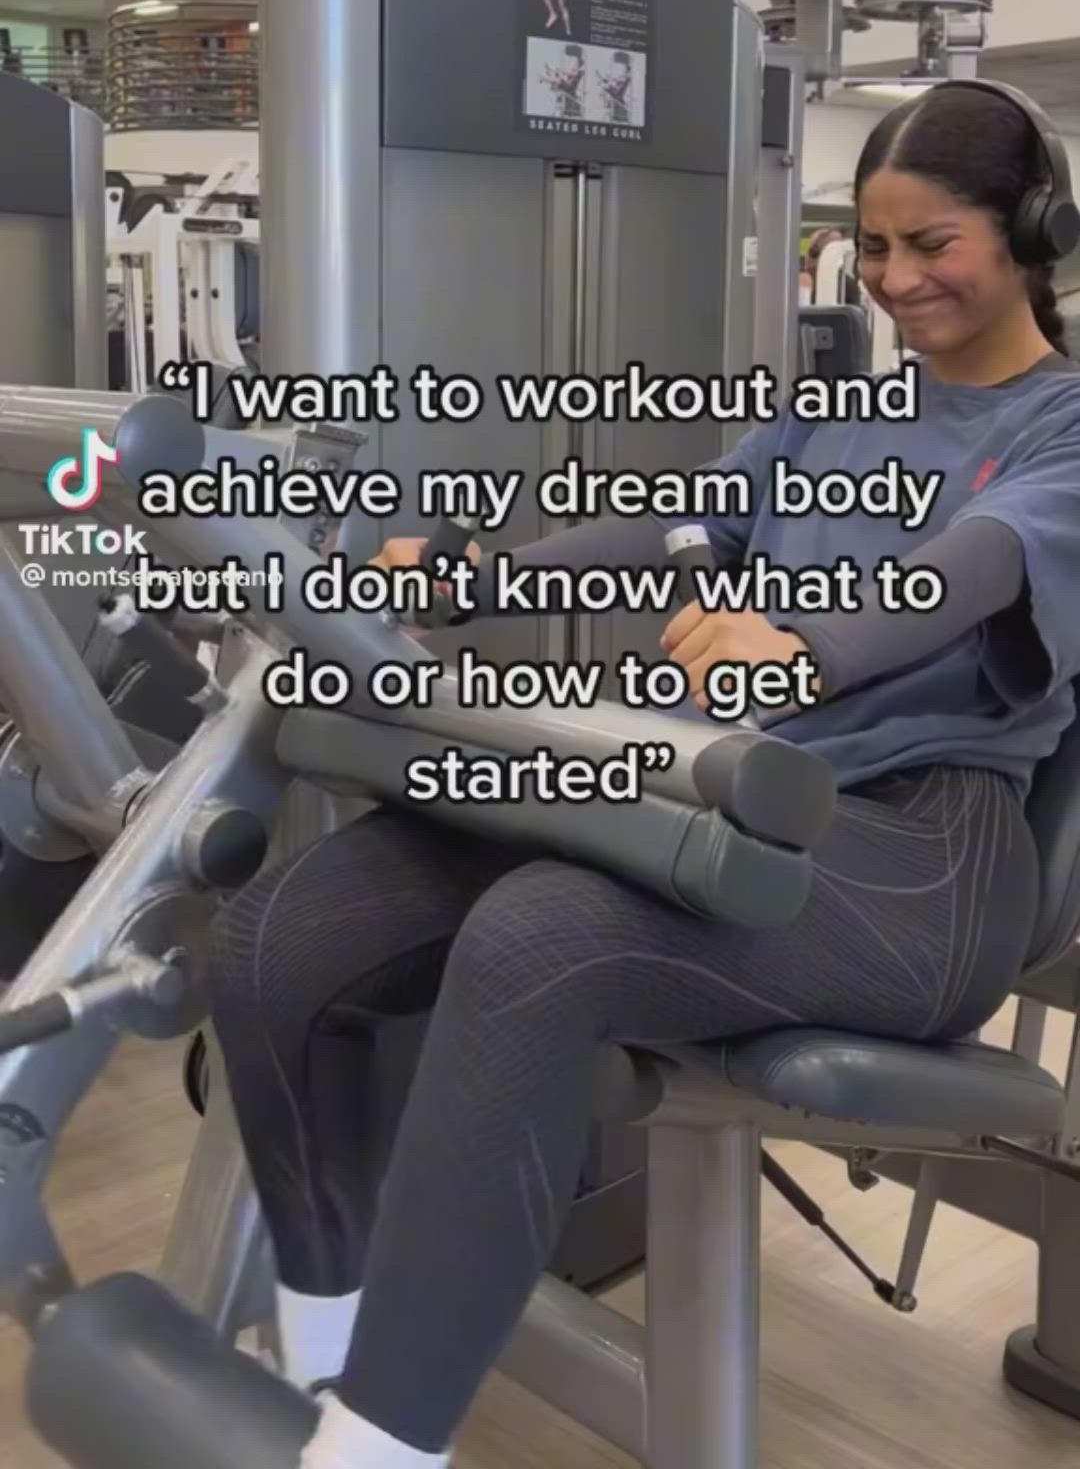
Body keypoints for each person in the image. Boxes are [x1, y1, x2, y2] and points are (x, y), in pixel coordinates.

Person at [208, 82, 1080, 1469]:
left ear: (1033, 232)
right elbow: (678, 526)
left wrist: (801, 648)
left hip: (922, 858)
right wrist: (478, 578)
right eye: (876, 247)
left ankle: (375, 1451)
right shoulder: (835, 421)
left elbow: (966, 572)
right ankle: (330, 1339)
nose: (900, 280)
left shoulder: (1059, 427)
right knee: (283, 938)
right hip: (731, 797)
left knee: (541, 938)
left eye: (936, 244)